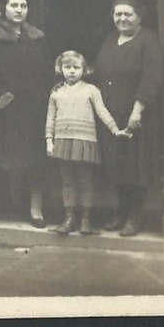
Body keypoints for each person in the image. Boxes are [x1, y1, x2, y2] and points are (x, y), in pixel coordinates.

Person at [94, 0, 163, 236]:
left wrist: (138, 110)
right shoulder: (111, 39)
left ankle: (136, 214)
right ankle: (121, 210)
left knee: (136, 165)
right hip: (112, 115)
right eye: (118, 14)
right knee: (116, 165)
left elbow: (151, 77)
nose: (122, 18)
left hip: (136, 114)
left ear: (139, 17)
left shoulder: (148, 40)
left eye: (128, 14)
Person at [0, 0, 53, 227]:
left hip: (35, 108)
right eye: (14, 5)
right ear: (4, 8)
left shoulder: (37, 37)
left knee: (36, 159)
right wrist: (2, 98)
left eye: (23, 5)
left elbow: (46, 70)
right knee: (12, 158)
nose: (19, 9)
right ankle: (12, 201)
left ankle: (36, 208)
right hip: (11, 108)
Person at [45, 50, 127, 235]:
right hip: (63, 141)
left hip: (85, 140)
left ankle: (86, 219)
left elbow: (102, 111)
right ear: (61, 69)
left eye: (76, 67)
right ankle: (69, 218)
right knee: (67, 180)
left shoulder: (91, 90)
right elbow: (50, 118)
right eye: (67, 67)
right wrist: (49, 140)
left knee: (85, 180)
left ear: (85, 69)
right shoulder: (56, 92)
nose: (72, 71)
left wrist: (115, 129)